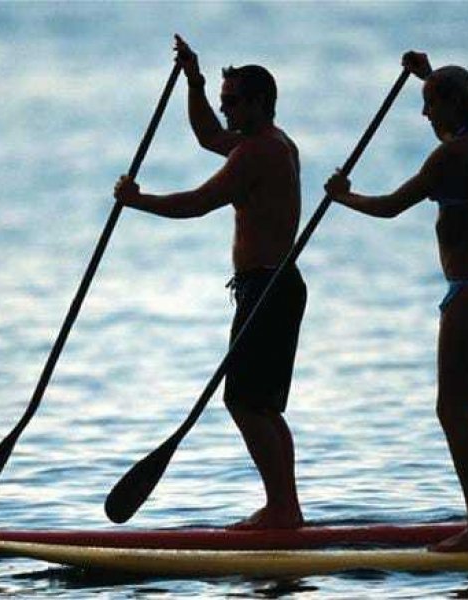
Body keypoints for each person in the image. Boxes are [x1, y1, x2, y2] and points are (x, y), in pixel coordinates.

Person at [114, 35, 307, 530]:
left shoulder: (258, 152)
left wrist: (139, 201)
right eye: (223, 103)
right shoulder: (270, 142)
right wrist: (194, 82)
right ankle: (287, 509)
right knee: (259, 404)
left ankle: (282, 511)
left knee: (245, 402)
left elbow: (196, 203)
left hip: (268, 289)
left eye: (232, 102)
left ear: (260, 102)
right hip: (271, 288)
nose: (224, 112)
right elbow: (204, 135)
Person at [325, 51, 468, 552]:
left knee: (452, 412)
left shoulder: (450, 156)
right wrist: (430, 75)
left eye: (431, 104)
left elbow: (389, 207)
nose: (424, 115)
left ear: (454, 103)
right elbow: (464, 101)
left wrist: (343, 196)